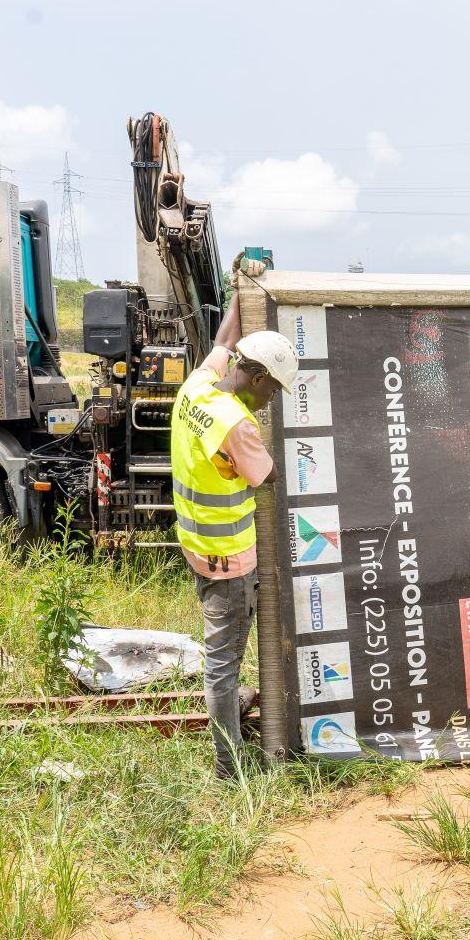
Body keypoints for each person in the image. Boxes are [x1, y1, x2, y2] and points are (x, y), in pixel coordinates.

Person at [171, 285, 298, 780]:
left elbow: (224, 340)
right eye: (272, 390)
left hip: (197, 545)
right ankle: (229, 767)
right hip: (229, 562)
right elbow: (268, 476)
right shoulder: (237, 426)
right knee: (223, 665)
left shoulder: (197, 388)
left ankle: (230, 728)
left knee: (223, 660)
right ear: (257, 376)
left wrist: (239, 291)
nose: (270, 401)